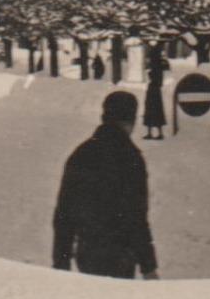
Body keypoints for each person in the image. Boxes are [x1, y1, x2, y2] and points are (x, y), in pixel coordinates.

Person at [52, 91, 159, 281]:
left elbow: (64, 213)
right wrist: (148, 267)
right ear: (132, 120)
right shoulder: (131, 158)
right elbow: (137, 216)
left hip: (88, 253)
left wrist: (61, 263)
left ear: (104, 117)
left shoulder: (81, 153)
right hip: (121, 255)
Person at [142, 45, 168, 141]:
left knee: (150, 110)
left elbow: (155, 78)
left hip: (153, 89)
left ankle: (151, 132)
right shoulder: (159, 65)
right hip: (156, 90)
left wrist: (150, 74)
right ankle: (158, 132)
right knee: (156, 110)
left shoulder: (155, 66)